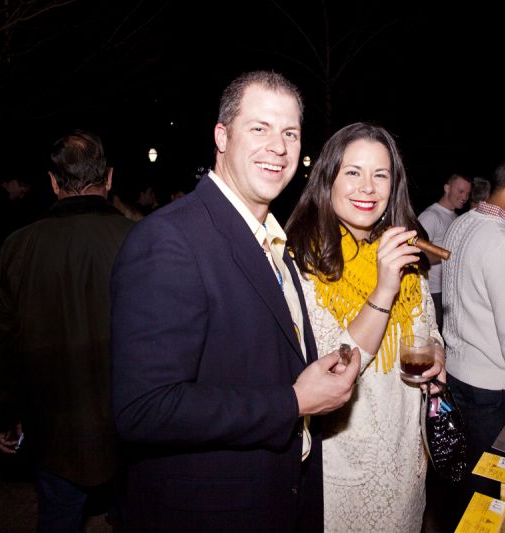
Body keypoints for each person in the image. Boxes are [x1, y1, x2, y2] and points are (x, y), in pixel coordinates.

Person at [111, 70, 360, 531]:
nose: (279, 147)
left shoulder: (272, 240)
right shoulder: (169, 239)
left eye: (290, 133)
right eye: (259, 128)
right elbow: (144, 409)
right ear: (222, 137)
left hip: (276, 496)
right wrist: (293, 401)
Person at [285, 122, 445, 532]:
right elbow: (334, 366)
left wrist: (438, 355)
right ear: (328, 178)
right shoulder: (302, 263)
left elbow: (426, 327)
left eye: (381, 175)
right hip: (343, 467)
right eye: (353, 172)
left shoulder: (403, 251)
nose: (368, 187)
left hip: (407, 459)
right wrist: (384, 287)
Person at [0, 130, 134, 532]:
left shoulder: (17, 247)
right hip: (129, 420)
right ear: (109, 178)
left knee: (58, 517)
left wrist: (3, 413)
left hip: (52, 423)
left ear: (53, 182)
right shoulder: (139, 241)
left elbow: (2, 343)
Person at [442, 156, 505, 509]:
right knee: (495, 483)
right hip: (494, 388)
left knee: (470, 475)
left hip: (458, 374)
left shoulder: (462, 224)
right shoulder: (504, 244)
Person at [418, 173, 471, 331]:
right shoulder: (430, 216)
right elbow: (419, 255)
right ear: (447, 188)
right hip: (432, 292)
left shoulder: (455, 216)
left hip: (448, 291)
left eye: (467, 194)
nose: (464, 197)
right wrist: (451, 254)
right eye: (460, 191)